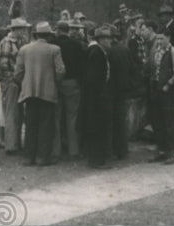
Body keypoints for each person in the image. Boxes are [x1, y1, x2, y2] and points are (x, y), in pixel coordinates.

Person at [14, 22, 65, 166]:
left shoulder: (24, 49)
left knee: (30, 125)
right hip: (48, 92)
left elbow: (17, 73)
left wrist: (24, 83)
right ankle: (43, 157)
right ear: (49, 35)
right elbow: (61, 71)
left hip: (29, 92)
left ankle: (29, 157)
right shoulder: (55, 49)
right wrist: (55, 83)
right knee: (46, 125)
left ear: (35, 35)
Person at [50, 21, 87, 159]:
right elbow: (82, 66)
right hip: (72, 83)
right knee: (72, 117)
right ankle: (74, 150)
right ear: (68, 30)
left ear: (58, 31)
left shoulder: (52, 45)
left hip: (56, 83)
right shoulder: (77, 45)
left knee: (56, 116)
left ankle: (56, 150)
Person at [82, 26, 115, 169]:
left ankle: (96, 158)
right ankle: (97, 160)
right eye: (107, 39)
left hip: (94, 96)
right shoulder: (97, 53)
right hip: (97, 97)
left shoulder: (97, 51)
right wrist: (101, 93)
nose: (110, 41)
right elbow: (93, 78)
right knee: (97, 126)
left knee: (96, 126)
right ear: (101, 39)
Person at [148, 30, 174, 165]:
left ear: (168, 38)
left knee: (169, 122)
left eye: (162, 39)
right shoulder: (156, 52)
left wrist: (168, 85)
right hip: (156, 90)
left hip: (167, 92)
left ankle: (172, 153)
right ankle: (162, 151)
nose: (159, 42)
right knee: (158, 121)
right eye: (157, 39)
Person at [0, 18, 31, 154]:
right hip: (11, 81)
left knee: (18, 113)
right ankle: (11, 146)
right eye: (22, 29)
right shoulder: (6, 42)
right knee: (11, 112)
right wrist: (13, 79)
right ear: (15, 30)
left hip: (19, 81)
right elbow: (3, 65)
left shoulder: (21, 41)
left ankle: (16, 143)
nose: (24, 31)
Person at [108, 26, 132, 160]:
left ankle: (112, 149)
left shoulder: (109, 51)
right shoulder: (125, 49)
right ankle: (122, 150)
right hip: (123, 89)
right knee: (121, 119)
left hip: (111, 89)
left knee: (111, 120)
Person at [124, 14, 149, 139]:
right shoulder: (133, 41)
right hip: (137, 74)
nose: (141, 30)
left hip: (143, 72)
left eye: (143, 27)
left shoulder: (143, 41)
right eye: (140, 27)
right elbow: (134, 59)